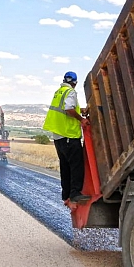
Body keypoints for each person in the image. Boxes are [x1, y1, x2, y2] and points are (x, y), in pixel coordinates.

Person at [42, 71, 90, 209]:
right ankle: (75, 193)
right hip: (69, 135)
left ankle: (66, 195)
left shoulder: (59, 92)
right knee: (76, 166)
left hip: (58, 137)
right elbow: (68, 109)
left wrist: (79, 110)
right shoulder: (70, 92)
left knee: (65, 166)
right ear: (75, 82)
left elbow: (67, 108)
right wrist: (82, 119)